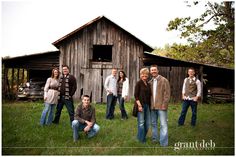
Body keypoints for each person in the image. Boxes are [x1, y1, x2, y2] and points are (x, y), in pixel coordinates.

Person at [149, 65, 170, 146]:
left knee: (163, 124)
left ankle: (163, 143)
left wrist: (165, 104)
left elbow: (167, 94)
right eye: (152, 70)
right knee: (153, 123)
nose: (153, 71)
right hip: (152, 106)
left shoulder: (164, 80)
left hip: (161, 106)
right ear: (150, 72)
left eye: (155, 70)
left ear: (158, 71)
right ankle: (155, 139)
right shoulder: (150, 82)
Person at [134, 68, 151, 143]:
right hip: (141, 105)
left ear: (148, 75)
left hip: (147, 105)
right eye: (143, 74)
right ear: (140, 75)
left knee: (147, 123)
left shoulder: (148, 84)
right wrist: (139, 106)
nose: (144, 76)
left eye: (146, 74)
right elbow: (136, 95)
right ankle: (141, 140)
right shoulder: (139, 83)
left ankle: (140, 136)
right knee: (141, 123)